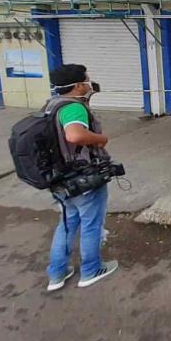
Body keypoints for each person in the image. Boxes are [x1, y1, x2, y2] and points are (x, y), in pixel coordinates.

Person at [46, 64, 118, 291]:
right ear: (78, 86)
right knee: (91, 224)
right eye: (87, 80)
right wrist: (100, 138)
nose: (90, 83)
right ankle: (91, 270)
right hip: (82, 178)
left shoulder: (51, 105)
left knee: (67, 224)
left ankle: (57, 274)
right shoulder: (73, 107)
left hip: (60, 179)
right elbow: (74, 134)